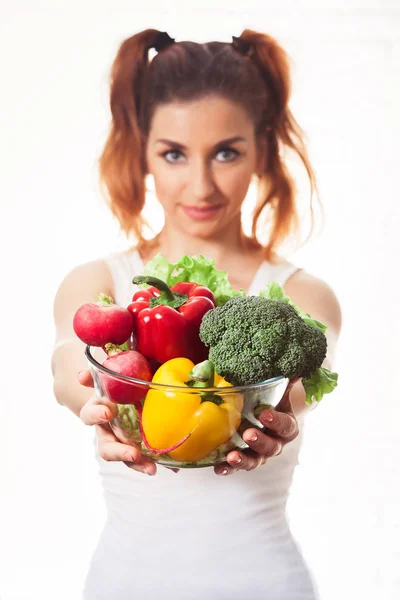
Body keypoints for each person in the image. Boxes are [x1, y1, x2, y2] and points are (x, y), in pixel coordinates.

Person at [51, 28, 342, 600]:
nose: (201, 184)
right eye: (174, 154)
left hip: (266, 584)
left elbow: (306, 381)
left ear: (262, 148)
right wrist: (92, 396)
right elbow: (67, 363)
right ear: (144, 152)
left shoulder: (303, 295)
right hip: (126, 584)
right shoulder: (99, 284)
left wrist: (274, 410)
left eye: (227, 152)